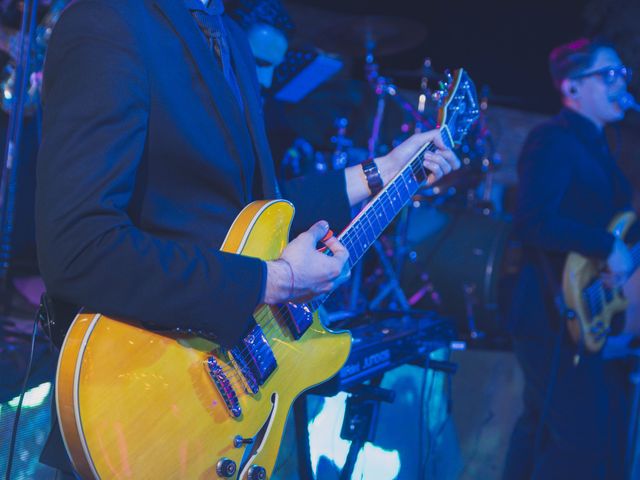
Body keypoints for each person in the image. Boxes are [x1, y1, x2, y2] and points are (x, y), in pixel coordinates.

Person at [34, 0, 459, 476]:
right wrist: (277, 281)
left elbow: (250, 212)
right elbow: (80, 247)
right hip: (141, 402)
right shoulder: (109, 21)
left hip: (220, 409)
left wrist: (384, 170)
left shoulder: (228, 33)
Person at [503, 38, 636, 480]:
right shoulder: (553, 139)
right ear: (572, 87)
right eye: (609, 74)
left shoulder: (601, 148)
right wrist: (607, 246)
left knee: (539, 431)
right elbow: (532, 222)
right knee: (580, 444)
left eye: (624, 75)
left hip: (576, 312)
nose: (622, 83)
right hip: (548, 312)